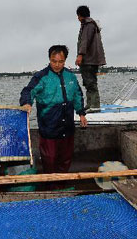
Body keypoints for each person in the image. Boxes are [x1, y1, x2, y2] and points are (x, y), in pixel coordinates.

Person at [20, 45, 87, 179]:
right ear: (49, 59)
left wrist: (81, 113)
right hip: (49, 125)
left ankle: (61, 184)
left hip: (67, 125)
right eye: (53, 61)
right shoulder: (41, 76)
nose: (57, 64)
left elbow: (78, 95)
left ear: (65, 60)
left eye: (60, 61)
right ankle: (50, 185)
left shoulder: (71, 77)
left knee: (66, 158)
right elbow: (28, 91)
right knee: (49, 159)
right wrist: (27, 103)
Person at [75, 5, 106, 112]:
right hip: (93, 59)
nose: (77, 18)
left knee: (90, 82)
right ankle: (90, 104)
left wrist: (80, 55)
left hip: (89, 59)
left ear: (81, 15)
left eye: (78, 16)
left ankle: (95, 105)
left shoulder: (88, 25)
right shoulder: (92, 24)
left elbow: (84, 41)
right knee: (89, 82)